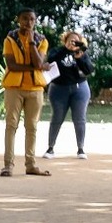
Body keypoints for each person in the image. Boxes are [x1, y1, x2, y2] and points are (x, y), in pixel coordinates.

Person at [0, 10, 50, 178]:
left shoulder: (41, 40)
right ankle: (8, 165)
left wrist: (32, 43)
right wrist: (37, 67)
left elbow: (38, 61)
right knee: (11, 125)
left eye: (32, 19)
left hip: (35, 89)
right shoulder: (10, 39)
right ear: (18, 20)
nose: (28, 22)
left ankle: (31, 164)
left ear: (35, 21)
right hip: (14, 87)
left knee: (32, 127)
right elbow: (12, 65)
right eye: (25, 19)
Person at [43, 30, 94, 159]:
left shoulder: (81, 53)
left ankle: (81, 149)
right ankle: (50, 148)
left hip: (79, 88)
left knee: (79, 118)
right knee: (57, 117)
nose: (73, 43)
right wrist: (66, 50)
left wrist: (79, 57)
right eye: (70, 40)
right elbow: (50, 60)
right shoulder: (57, 51)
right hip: (59, 89)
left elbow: (88, 70)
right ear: (65, 41)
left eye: (76, 41)